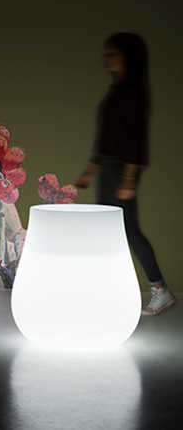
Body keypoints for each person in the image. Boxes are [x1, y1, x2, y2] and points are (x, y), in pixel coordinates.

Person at [76, 32, 176, 316]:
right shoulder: (118, 91)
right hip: (109, 170)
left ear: (128, 58)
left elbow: (135, 138)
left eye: (114, 53)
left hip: (120, 171)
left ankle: (159, 289)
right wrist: (91, 171)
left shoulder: (132, 93)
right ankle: (109, 291)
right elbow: (107, 137)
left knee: (128, 230)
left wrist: (129, 178)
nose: (107, 57)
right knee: (109, 230)